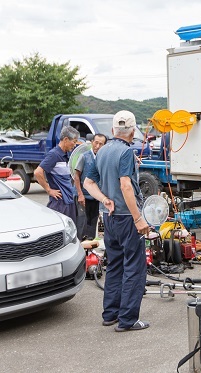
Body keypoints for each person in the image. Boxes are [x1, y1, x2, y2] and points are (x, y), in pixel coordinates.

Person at [84, 110, 150, 332]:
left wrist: (105, 200)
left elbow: (88, 183)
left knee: (115, 265)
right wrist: (138, 218)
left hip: (108, 217)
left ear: (113, 131)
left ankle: (110, 314)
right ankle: (128, 320)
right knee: (134, 268)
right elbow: (125, 185)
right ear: (132, 132)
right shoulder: (125, 153)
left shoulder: (101, 151)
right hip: (127, 218)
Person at [34, 126, 80, 225]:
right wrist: (49, 190)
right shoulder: (54, 155)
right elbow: (37, 172)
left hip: (69, 200)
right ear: (66, 139)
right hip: (59, 203)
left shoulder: (67, 155)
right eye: (74, 141)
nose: (75, 145)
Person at [74, 133, 107, 240]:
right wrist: (80, 194)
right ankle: (82, 245)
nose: (97, 146)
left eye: (101, 144)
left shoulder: (104, 158)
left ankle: (92, 243)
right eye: (96, 143)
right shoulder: (84, 156)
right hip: (85, 196)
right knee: (83, 222)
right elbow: (76, 176)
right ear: (92, 142)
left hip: (97, 197)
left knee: (95, 221)